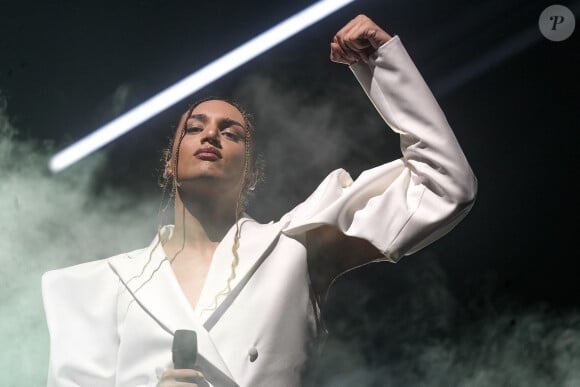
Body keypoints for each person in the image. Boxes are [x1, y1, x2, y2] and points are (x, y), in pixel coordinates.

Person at [42, 15, 477, 387]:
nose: (211, 134)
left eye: (231, 133)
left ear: (250, 172)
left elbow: (445, 184)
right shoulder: (104, 286)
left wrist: (383, 65)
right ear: (169, 164)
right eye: (194, 128)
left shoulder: (294, 247)